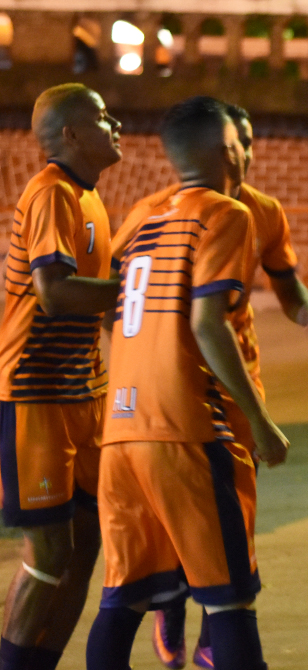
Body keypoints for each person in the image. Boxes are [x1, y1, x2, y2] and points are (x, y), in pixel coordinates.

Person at [85, 95, 289, 670]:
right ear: (229, 149)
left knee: (122, 601)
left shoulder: (144, 213)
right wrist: (263, 424)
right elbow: (207, 322)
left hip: (121, 434)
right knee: (229, 602)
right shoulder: (229, 213)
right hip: (188, 431)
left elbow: (106, 307)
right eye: (241, 144)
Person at [150, 103, 308, 670]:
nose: (247, 153)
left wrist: (307, 316)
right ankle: (177, 600)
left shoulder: (263, 212)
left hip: (238, 379)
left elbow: (288, 286)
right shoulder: (167, 210)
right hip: (182, 382)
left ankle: (211, 632)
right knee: (191, 509)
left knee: (235, 511)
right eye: (239, 141)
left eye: (251, 141)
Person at [0, 83, 122, 670]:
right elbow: (54, 292)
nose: (115, 124)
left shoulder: (91, 199)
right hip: (35, 395)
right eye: (102, 117)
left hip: (85, 394)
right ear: (71, 134)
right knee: (49, 551)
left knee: (85, 547)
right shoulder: (50, 193)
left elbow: (98, 306)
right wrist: (138, 290)